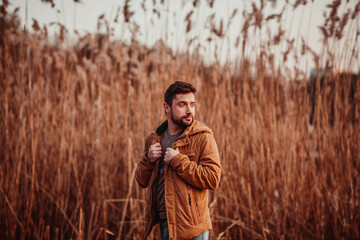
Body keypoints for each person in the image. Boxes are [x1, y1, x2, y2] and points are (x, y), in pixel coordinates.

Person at [135, 81, 221, 240]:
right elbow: (141, 182)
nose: (190, 110)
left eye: (192, 104)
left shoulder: (203, 136)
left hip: (192, 229)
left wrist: (178, 161)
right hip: (166, 224)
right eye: (182, 105)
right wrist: (148, 159)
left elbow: (213, 178)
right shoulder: (154, 139)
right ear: (166, 108)